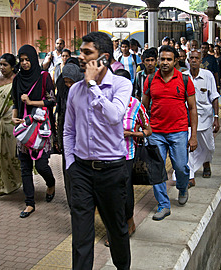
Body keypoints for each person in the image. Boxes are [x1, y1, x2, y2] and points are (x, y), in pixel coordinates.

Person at [64, 32, 132, 269]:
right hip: (81, 171)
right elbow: (68, 131)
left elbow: (114, 116)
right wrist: (70, 165)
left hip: (112, 171)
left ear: (103, 58)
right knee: (81, 235)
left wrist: (93, 85)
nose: (80, 57)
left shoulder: (122, 84)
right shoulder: (74, 91)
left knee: (117, 231)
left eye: (86, 52)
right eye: (80, 51)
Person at [142, 45, 198, 221]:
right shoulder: (150, 80)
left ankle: (182, 187)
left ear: (175, 61)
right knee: (156, 170)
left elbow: (193, 108)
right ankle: (163, 205)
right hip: (156, 133)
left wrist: (193, 135)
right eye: (162, 59)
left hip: (178, 132)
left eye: (169, 59)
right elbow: (143, 107)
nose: (164, 62)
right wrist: (143, 128)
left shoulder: (185, 80)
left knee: (181, 167)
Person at [103, 68, 152, 247]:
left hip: (127, 156)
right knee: (109, 194)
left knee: (125, 193)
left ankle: (128, 222)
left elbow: (148, 130)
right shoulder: (104, 103)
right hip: (106, 156)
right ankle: (115, 230)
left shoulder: (136, 105)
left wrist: (131, 133)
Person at [11, 44, 56, 218]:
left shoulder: (44, 77)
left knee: (42, 164)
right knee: (25, 167)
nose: (24, 63)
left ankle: (50, 183)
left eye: (27, 60)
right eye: (21, 60)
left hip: (41, 128)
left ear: (33, 59)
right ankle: (29, 203)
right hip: (23, 128)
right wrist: (14, 118)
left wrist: (31, 103)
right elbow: (16, 102)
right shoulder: (17, 79)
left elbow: (52, 101)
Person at [0, 53, 22, 195]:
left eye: (5, 65)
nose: (2, 67)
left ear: (13, 67)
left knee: (10, 155)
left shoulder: (17, 80)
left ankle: (12, 183)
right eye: (0, 64)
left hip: (10, 123)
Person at [184, 50, 220, 179]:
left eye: (196, 58)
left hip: (205, 118)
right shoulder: (183, 77)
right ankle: (190, 175)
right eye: (191, 58)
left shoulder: (208, 75)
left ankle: (206, 163)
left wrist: (216, 118)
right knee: (189, 147)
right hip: (188, 119)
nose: (194, 60)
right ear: (188, 61)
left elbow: (214, 97)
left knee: (209, 146)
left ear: (200, 61)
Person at [55, 63, 84, 207]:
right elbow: (60, 116)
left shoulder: (86, 90)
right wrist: (60, 141)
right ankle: (72, 203)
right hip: (68, 139)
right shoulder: (63, 91)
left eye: (71, 82)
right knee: (68, 171)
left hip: (83, 141)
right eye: (66, 82)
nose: (68, 85)